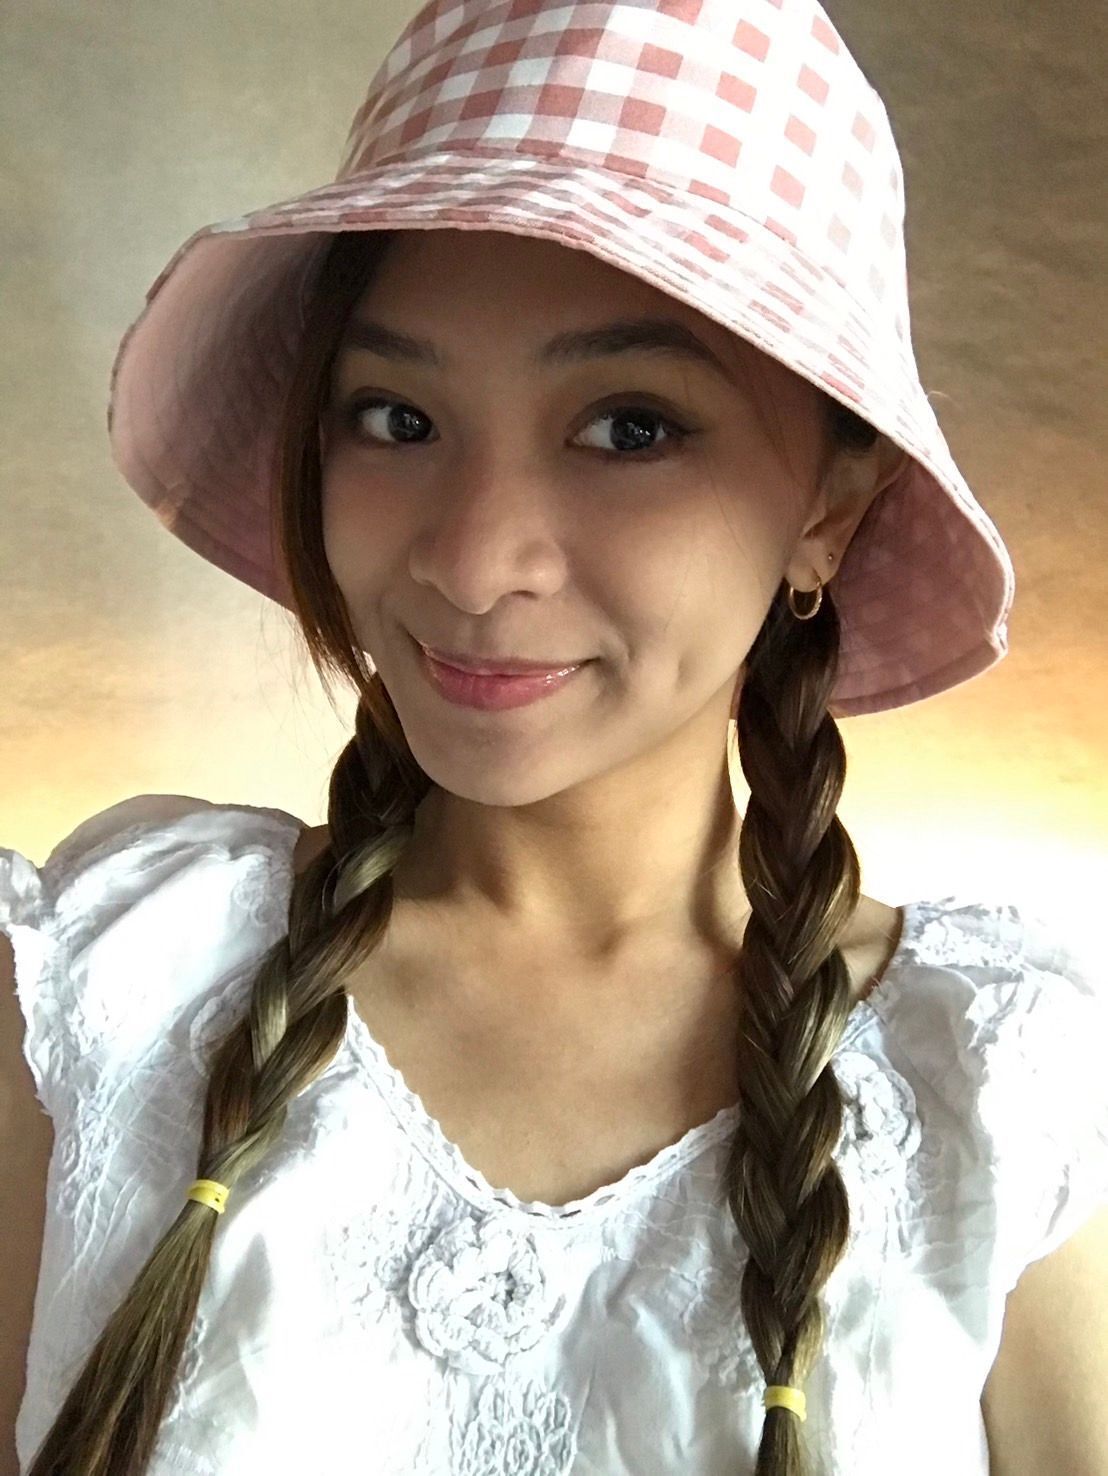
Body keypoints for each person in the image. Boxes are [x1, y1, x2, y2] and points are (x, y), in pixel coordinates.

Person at [1, 2, 1105, 1475]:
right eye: (395, 416)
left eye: (631, 427)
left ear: (828, 512)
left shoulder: (997, 1085)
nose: (474, 560)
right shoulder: (117, 988)